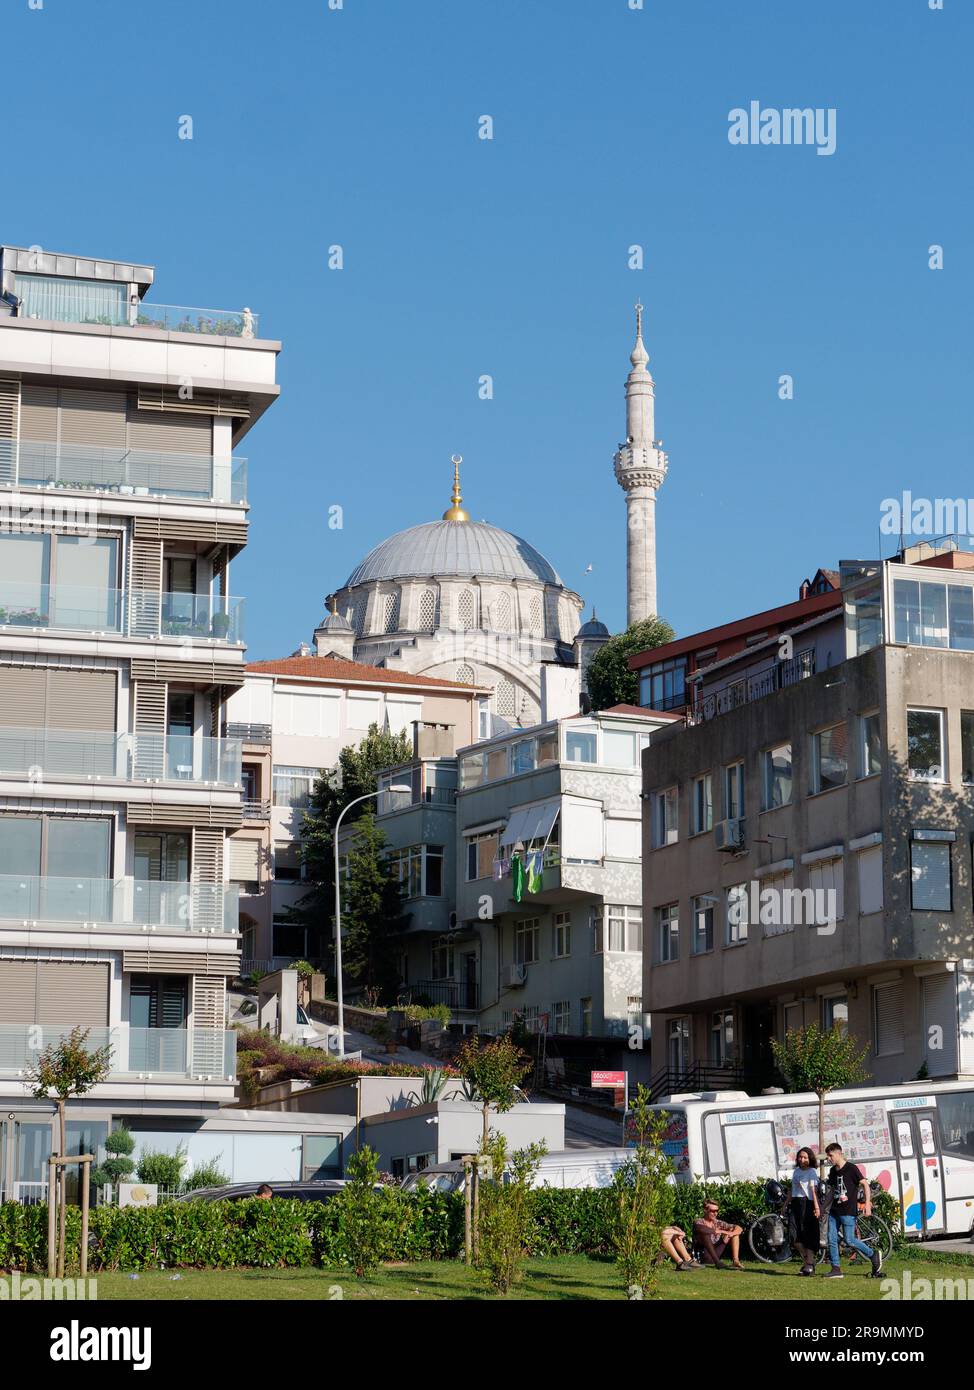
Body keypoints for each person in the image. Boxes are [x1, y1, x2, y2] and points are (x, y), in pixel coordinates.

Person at [824, 1142, 882, 1279]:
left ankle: (872, 1255)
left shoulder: (852, 1168)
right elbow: (832, 1191)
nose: (829, 1159)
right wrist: (823, 1207)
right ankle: (836, 1268)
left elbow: (865, 1184)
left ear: (839, 1154)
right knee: (831, 1239)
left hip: (848, 1211)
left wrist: (867, 1204)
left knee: (849, 1240)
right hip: (834, 1211)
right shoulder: (833, 1171)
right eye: (828, 1156)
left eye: (830, 1155)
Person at [789, 1146, 822, 1275]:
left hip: (807, 1203)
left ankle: (808, 1265)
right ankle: (809, 1262)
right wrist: (786, 1204)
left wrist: (817, 1207)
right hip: (795, 1203)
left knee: (807, 1234)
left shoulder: (811, 1172)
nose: (802, 1159)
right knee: (794, 1236)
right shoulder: (796, 1172)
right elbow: (792, 1190)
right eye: (800, 1157)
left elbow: (813, 1191)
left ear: (810, 1158)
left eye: (805, 1157)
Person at [693, 1199, 744, 1269]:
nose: (715, 1213)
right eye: (712, 1211)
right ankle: (718, 1262)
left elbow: (739, 1228)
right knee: (705, 1233)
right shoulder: (699, 1221)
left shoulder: (718, 1223)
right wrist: (716, 1231)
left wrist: (729, 1233)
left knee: (734, 1232)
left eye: (717, 1211)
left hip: (716, 1253)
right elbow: (700, 1229)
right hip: (702, 1256)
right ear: (705, 1210)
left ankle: (735, 1261)